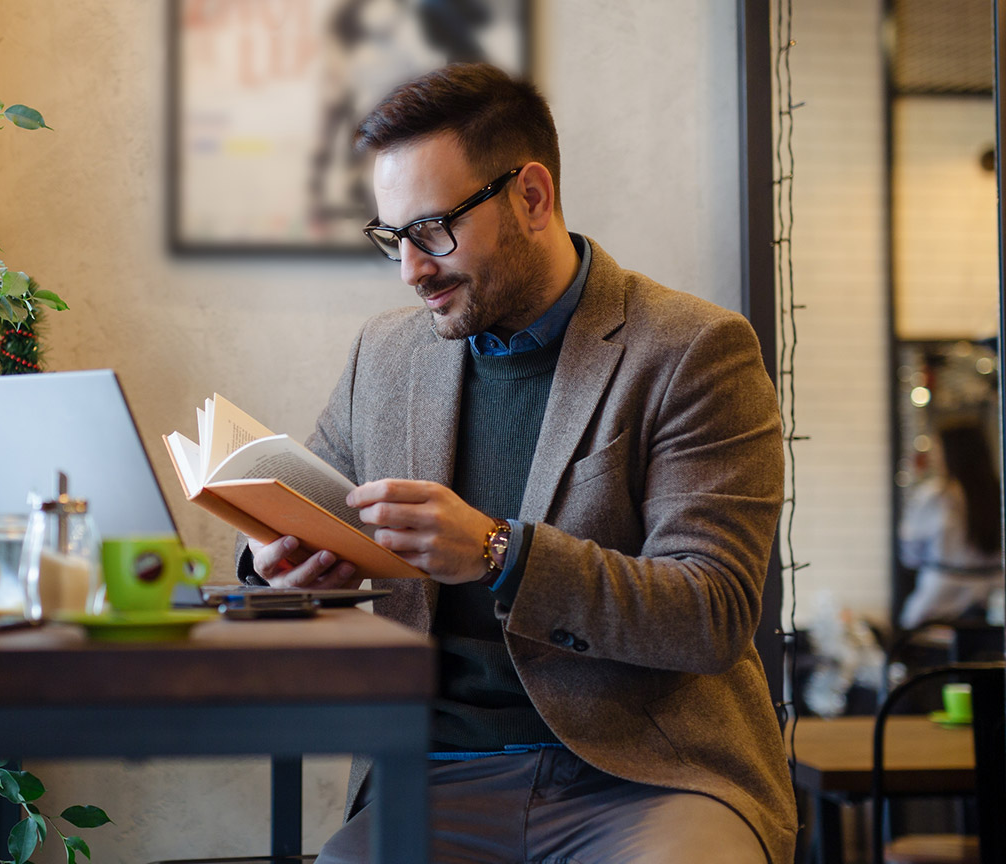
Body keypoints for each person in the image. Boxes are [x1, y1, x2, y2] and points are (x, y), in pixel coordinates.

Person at [238, 64, 796, 863]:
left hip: (651, 778)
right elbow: (310, 500)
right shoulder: (385, 356)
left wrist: (502, 552)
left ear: (531, 197)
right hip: (432, 778)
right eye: (393, 238)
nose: (412, 269)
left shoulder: (692, 350)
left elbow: (712, 613)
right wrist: (271, 559)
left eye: (433, 230)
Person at [898, 418, 1005, 629]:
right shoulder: (998, 493)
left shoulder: (936, 495)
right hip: (995, 602)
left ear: (950, 452)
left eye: (937, 448)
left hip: (940, 602)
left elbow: (910, 555)